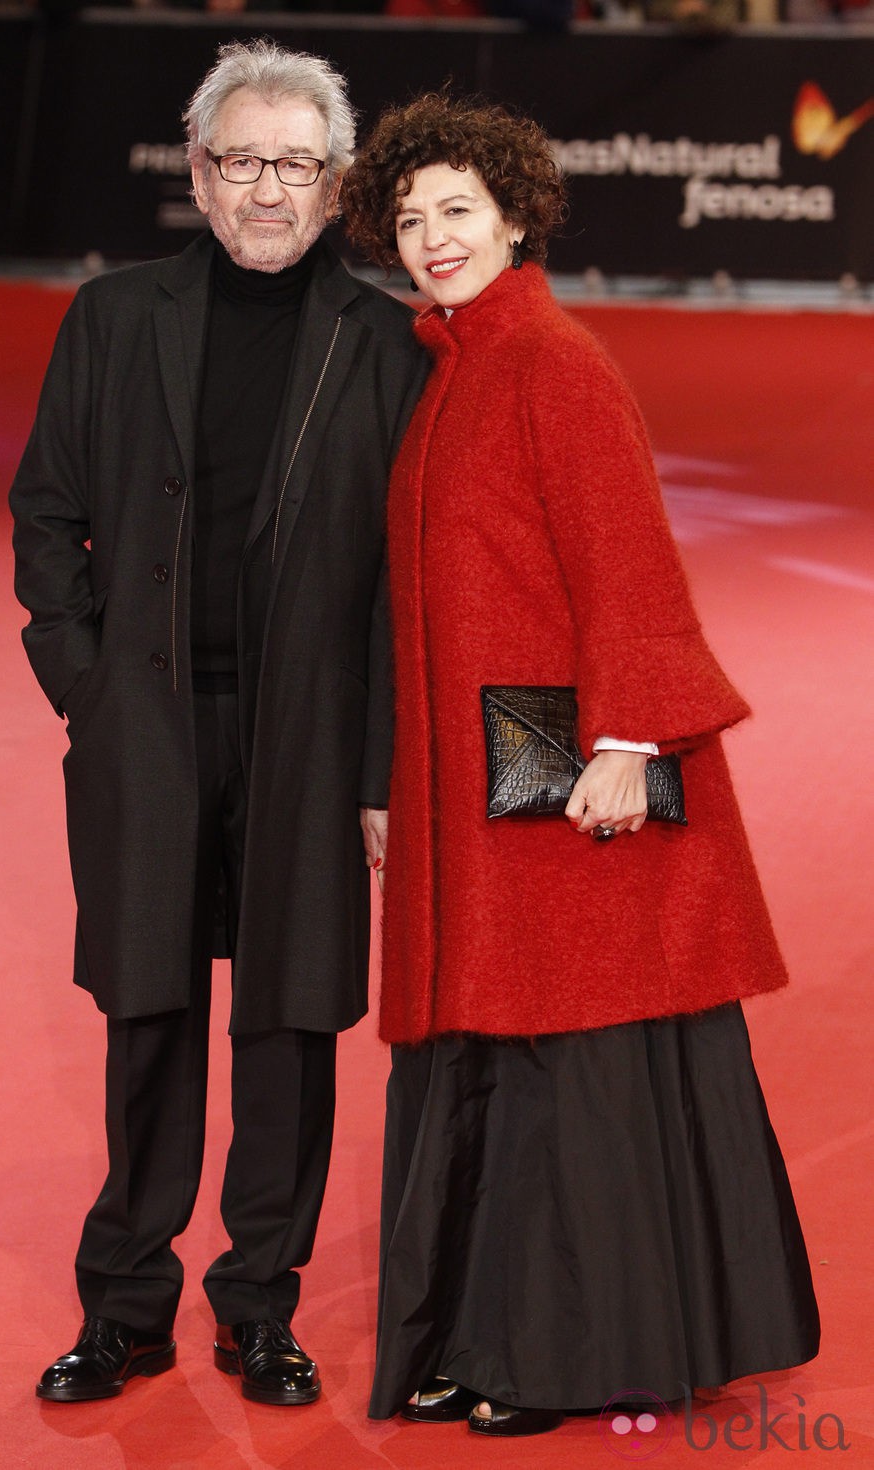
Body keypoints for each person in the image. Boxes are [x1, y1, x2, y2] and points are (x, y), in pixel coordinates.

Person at [341, 93, 820, 1438]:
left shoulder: (553, 361)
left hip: (560, 789)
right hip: (472, 791)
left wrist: (625, 740)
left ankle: (555, 1354)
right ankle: (473, 1335)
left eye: (458, 212)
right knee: (491, 1060)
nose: (432, 238)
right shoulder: (455, 366)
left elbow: (627, 560)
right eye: (412, 217)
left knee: (568, 1068)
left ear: (515, 216)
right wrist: (394, 781)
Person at [10, 38, 425, 1406]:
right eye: (239, 161)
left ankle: (261, 1303)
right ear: (198, 172)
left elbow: (412, 578)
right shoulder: (112, 316)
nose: (264, 190)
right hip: (149, 729)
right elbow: (45, 515)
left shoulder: (384, 344)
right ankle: (125, 1301)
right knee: (150, 1012)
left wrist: (381, 764)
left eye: (293, 165)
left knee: (291, 1029)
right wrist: (89, 687)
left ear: (337, 183)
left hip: (310, 738)